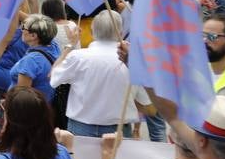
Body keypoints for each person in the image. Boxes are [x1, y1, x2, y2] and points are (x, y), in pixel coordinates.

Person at [49, 9, 154, 137]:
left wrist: (70, 45)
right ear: (120, 33)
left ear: (92, 32)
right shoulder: (132, 61)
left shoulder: (77, 57)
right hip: (118, 129)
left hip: (81, 128)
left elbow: (53, 77)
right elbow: (147, 106)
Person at [9, 14, 61, 101]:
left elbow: (22, 97)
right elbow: (44, 27)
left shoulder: (30, 61)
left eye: (23, 28)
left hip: (27, 110)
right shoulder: (53, 46)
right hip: (45, 105)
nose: (21, 30)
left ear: (33, 36)